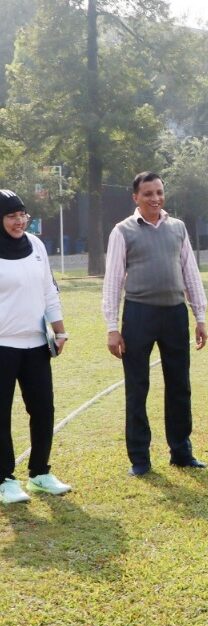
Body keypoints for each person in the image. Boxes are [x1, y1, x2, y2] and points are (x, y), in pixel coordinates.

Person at [103, 172, 208, 477]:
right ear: (135, 197)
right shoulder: (123, 231)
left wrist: (199, 317)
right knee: (137, 387)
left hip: (175, 314)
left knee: (179, 386)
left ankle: (181, 451)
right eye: (148, 193)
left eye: (159, 192)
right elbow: (112, 282)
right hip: (138, 315)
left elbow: (190, 272)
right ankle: (139, 458)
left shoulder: (177, 228)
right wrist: (112, 327)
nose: (155, 198)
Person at [0, 190, 71, 503]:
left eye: (22, 214)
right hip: (2, 346)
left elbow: (49, 292)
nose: (19, 221)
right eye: (11, 215)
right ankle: (4, 480)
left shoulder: (37, 245)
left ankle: (40, 473)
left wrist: (60, 330)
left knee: (43, 409)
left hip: (36, 344)